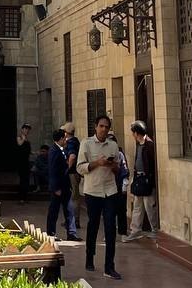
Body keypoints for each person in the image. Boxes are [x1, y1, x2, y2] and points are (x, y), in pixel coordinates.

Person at [77, 114, 122, 280]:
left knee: (110, 228)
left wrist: (112, 165)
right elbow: (80, 168)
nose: (104, 129)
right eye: (101, 126)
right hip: (93, 191)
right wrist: (97, 163)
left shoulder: (113, 145)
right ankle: (90, 256)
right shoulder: (86, 144)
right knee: (93, 225)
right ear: (95, 127)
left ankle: (109, 267)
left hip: (110, 190)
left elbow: (118, 169)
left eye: (106, 127)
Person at [125, 121, 159, 242]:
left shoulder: (149, 145)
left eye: (133, 132)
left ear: (137, 132)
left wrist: (150, 179)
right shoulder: (139, 144)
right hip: (139, 179)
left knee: (149, 206)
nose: (133, 135)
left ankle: (155, 229)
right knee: (137, 206)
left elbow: (153, 164)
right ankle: (135, 230)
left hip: (147, 180)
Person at [45, 129, 74, 239]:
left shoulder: (61, 150)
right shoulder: (54, 150)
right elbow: (53, 171)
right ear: (61, 138)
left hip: (64, 186)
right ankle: (51, 233)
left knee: (68, 211)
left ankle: (71, 233)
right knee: (54, 211)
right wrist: (56, 187)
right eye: (64, 138)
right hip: (58, 188)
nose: (66, 140)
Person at [62, 121, 82, 232]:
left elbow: (72, 156)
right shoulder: (75, 141)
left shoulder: (71, 143)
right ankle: (72, 220)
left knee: (73, 197)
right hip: (74, 173)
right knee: (73, 197)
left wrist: (67, 168)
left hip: (72, 173)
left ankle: (74, 220)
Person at [16, 123, 34, 202]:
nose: (27, 130)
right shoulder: (19, 137)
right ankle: (21, 198)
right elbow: (19, 144)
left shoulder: (27, 139)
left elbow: (28, 151)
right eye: (25, 129)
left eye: (28, 129)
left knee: (26, 179)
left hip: (26, 162)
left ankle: (25, 197)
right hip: (21, 162)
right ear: (22, 129)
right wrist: (23, 138)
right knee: (22, 179)